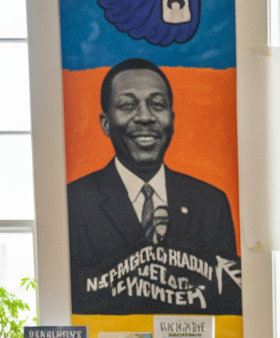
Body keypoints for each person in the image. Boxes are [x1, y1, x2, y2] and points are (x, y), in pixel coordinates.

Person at [66, 58, 240, 315]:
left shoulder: (210, 203)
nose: (145, 117)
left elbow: (229, 299)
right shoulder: (74, 202)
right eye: (128, 105)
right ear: (106, 123)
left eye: (157, 105)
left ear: (171, 119)